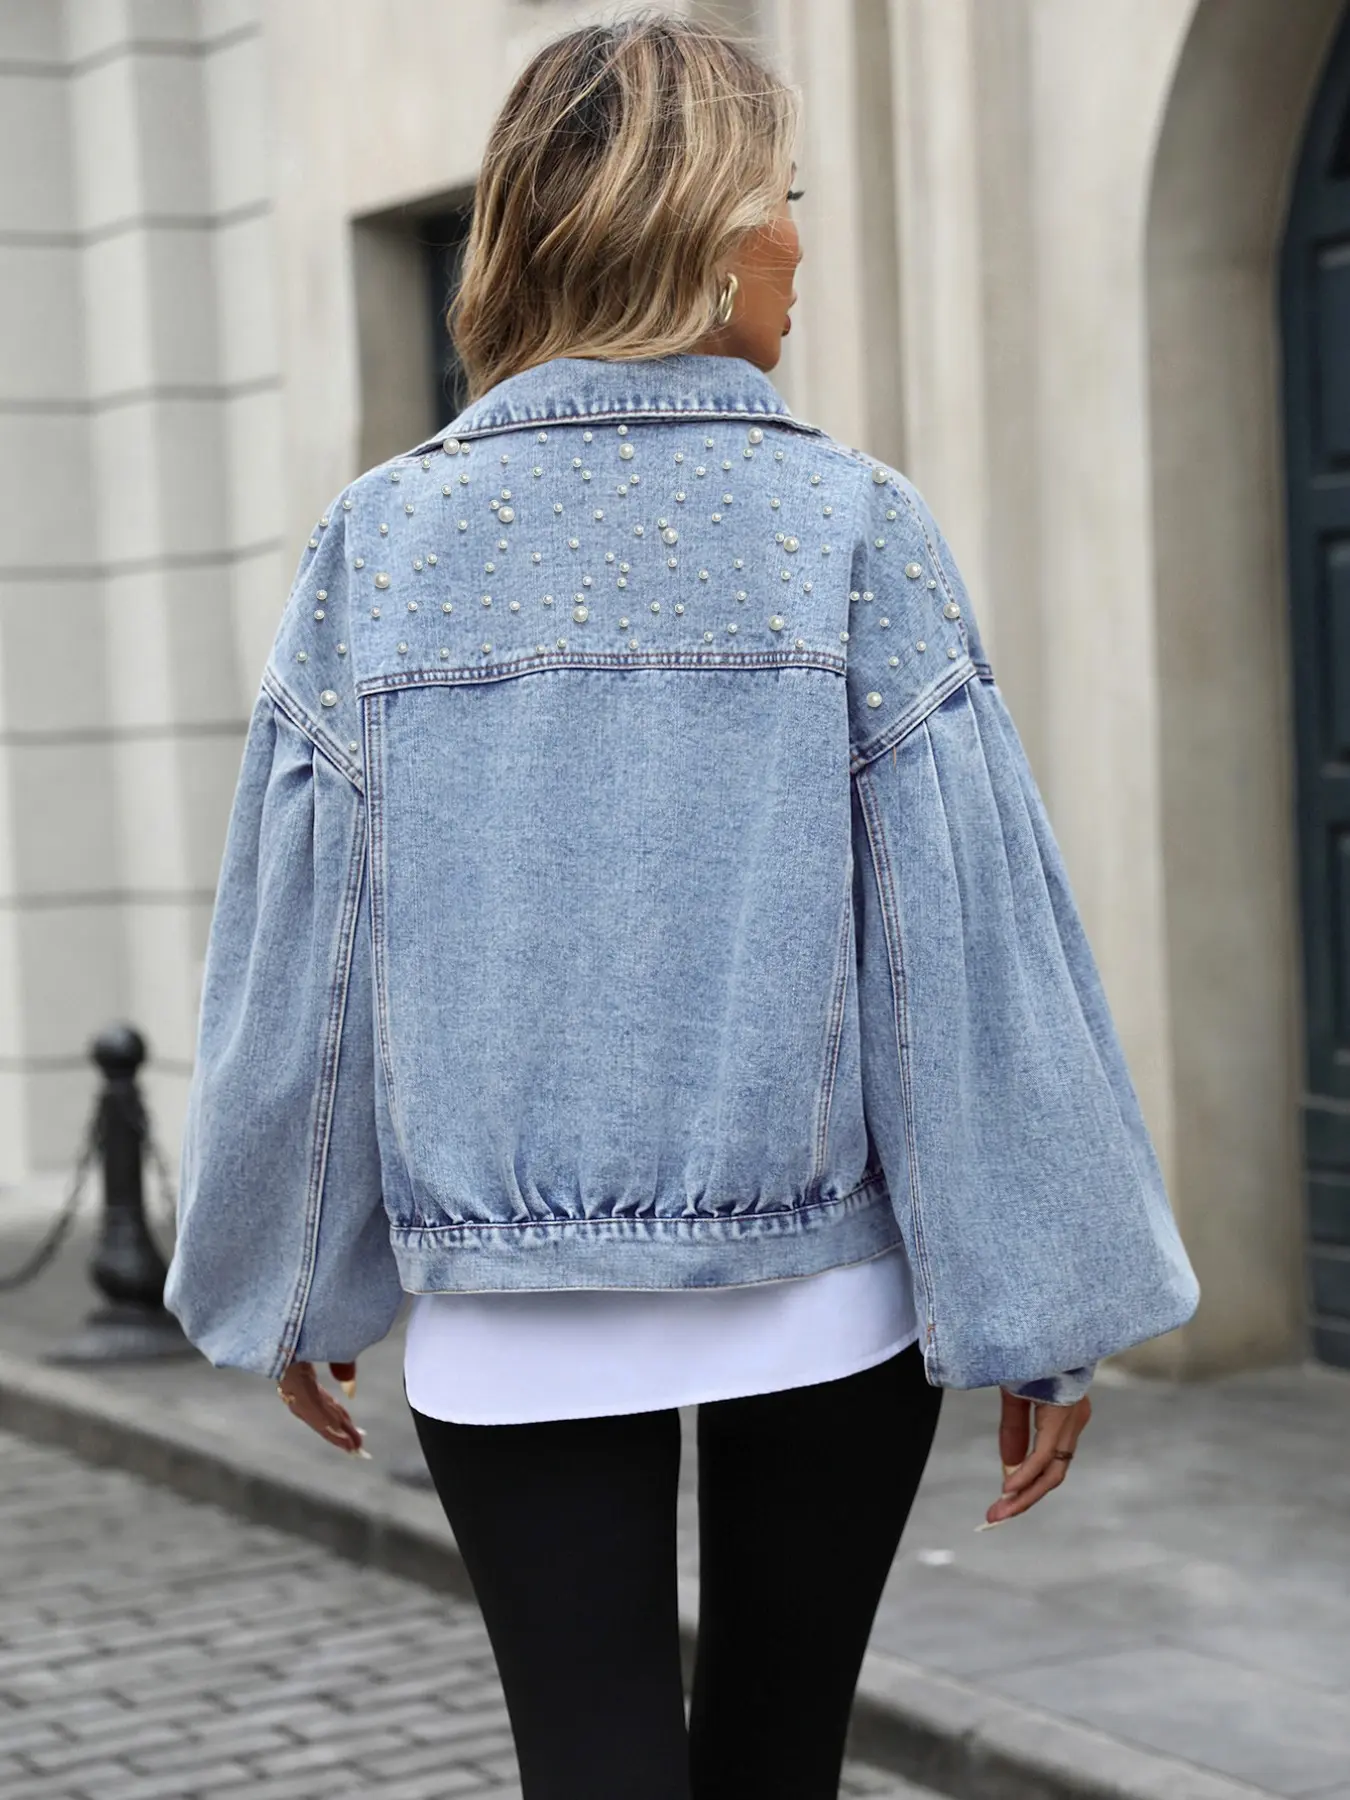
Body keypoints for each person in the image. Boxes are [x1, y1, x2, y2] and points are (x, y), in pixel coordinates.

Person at [165, 15, 1199, 1799]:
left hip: (511, 1306)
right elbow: (962, 949)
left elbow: (306, 965)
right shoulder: (853, 527)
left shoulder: (381, 544)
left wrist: (292, 1274)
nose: (800, 243)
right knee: (779, 1764)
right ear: (706, 229)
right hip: (822, 1298)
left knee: (590, 1770)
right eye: (782, 199)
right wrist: (1037, 1302)